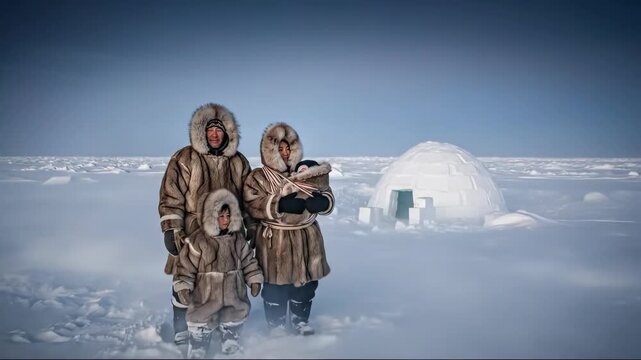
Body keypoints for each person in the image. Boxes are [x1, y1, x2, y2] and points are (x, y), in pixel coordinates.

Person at [158, 103, 254, 346]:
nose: (214, 134)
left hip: (228, 232)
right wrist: (171, 228)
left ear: (227, 133)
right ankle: (181, 326)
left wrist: (251, 226)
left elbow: (249, 197)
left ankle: (224, 324)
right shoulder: (184, 158)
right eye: (210, 130)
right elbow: (171, 195)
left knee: (225, 281)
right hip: (192, 230)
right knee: (186, 279)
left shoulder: (239, 161)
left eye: (219, 130)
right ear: (201, 132)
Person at [243, 123, 334, 336]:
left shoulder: (306, 170)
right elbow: (251, 203)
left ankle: (300, 319)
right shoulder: (258, 177)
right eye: (279, 149)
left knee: (305, 284)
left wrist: (323, 202)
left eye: (288, 149)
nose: (285, 153)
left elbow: (325, 190)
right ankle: (276, 325)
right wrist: (279, 204)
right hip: (275, 240)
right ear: (269, 151)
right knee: (275, 286)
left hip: (306, 236)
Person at [174, 189, 263, 358]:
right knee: (201, 316)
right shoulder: (197, 241)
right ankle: (199, 339)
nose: (226, 220)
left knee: (234, 312)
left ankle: (230, 332)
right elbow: (185, 267)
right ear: (210, 216)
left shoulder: (237, 239)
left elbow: (248, 261)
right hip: (205, 294)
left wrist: (254, 279)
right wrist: (183, 286)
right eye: (221, 216)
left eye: (229, 216)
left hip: (233, 292)